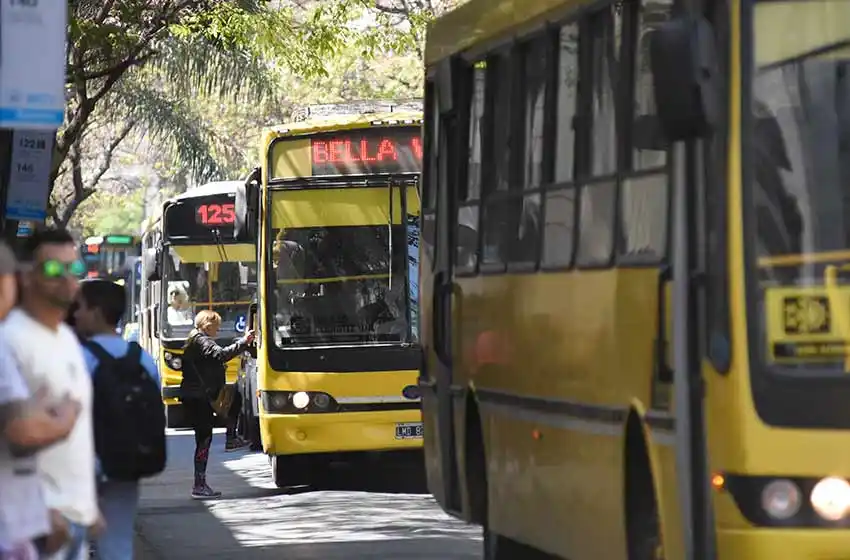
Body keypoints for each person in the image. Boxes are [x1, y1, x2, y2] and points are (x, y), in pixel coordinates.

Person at [1, 227, 103, 560]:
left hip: (70, 519)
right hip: (34, 526)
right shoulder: (11, 341)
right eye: (52, 268)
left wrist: (86, 504)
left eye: (73, 268)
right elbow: (18, 433)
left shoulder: (66, 340)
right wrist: (64, 420)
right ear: (27, 277)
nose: (66, 278)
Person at [73, 279, 160, 560]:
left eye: (80, 308)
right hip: (127, 462)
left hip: (81, 464)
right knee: (118, 541)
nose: (75, 314)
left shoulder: (78, 358)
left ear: (96, 312)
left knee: (71, 543)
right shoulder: (143, 359)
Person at [181, 310, 253, 498]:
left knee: (205, 437)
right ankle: (199, 484)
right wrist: (243, 342)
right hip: (199, 397)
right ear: (207, 325)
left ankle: (230, 439)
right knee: (204, 439)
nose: (218, 330)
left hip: (196, 396)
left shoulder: (194, 339)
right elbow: (221, 354)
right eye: (216, 326)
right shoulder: (201, 340)